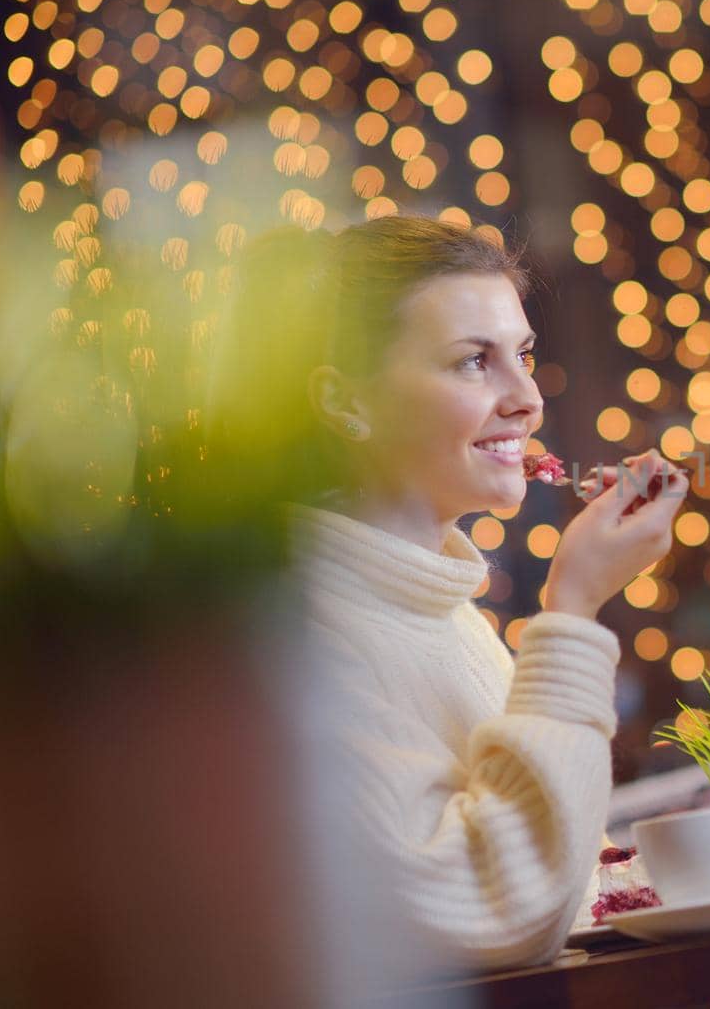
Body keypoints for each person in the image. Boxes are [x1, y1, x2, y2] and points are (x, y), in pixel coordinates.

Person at [222, 216, 686, 974]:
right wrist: (571, 609)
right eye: (474, 362)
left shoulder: (444, 610)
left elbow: (550, 874)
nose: (528, 399)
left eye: (525, 356)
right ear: (345, 403)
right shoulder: (299, 632)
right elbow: (491, 912)